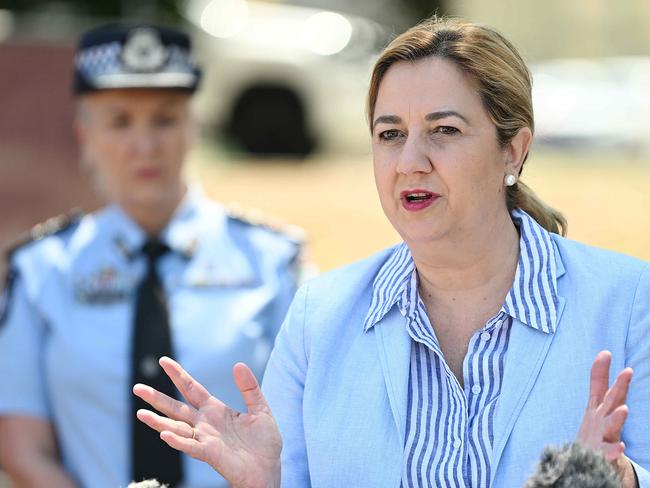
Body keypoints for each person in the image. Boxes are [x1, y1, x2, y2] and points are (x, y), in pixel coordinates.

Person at [133, 16, 650, 488]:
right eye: (390, 134)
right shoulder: (320, 316)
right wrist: (266, 483)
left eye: (444, 131)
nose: (410, 161)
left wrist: (622, 480)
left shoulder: (630, 303)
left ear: (512, 150)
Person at [0, 23, 304, 488]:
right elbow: (22, 445)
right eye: (120, 121)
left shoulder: (271, 261)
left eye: (164, 119)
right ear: (85, 133)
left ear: (192, 126)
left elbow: (305, 430)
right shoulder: (42, 271)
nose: (145, 145)